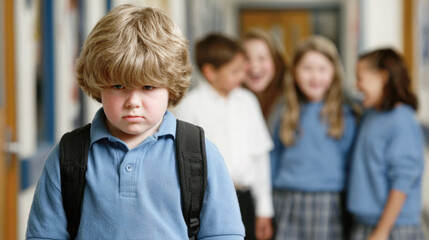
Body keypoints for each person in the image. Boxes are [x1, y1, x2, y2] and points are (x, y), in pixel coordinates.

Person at [25, 5, 245, 240]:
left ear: (171, 87)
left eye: (148, 87)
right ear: (98, 84)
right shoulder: (68, 156)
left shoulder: (200, 155)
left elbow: (224, 234)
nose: (133, 101)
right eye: (118, 86)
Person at [174, 33, 274, 240]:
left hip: (245, 199)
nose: (241, 76)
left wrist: (264, 209)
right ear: (210, 72)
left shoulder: (247, 101)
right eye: (235, 71)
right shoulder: (190, 105)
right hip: (208, 201)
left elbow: (260, 157)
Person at [270, 35, 356, 240]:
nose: (315, 77)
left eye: (322, 69)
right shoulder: (283, 111)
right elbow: (273, 157)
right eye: (307, 69)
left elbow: (351, 163)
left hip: (329, 200)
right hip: (286, 198)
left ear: (334, 73)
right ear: (294, 73)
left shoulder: (345, 114)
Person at [348, 48, 425, 240]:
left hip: (393, 228)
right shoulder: (371, 114)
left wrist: (382, 232)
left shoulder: (402, 121)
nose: (357, 86)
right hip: (366, 223)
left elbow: (402, 182)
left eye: (360, 78)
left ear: (383, 77)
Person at [241, 28, 288, 132]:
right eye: (247, 59)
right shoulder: (233, 100)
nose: (254, 66)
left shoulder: (290, 100)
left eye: (262, 58)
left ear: (276, 62)